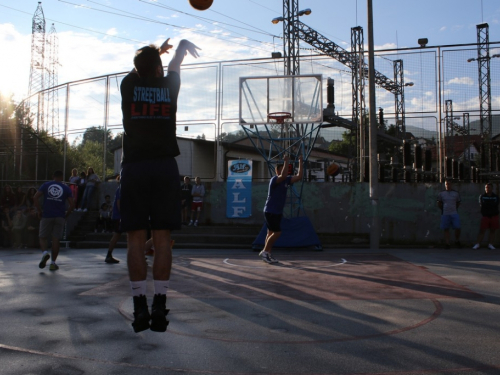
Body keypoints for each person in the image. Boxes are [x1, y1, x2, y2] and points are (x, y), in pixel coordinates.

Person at [120, 37, 199, 333]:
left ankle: (139, 305)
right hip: (165, 165)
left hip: (135, 167)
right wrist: (178, 48)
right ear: (158, 70)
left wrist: (155, 53)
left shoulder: (127, 85)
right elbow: (176, 64)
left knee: (135, 241)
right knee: (162, 239)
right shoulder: (169, 86)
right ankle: (159, 304)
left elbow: (137, 67)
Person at [259, 155, 303, 264]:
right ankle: (265, 252)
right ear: (277, 171)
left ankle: (267, 253)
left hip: (277, 211)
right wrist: (286, 161)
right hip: (270, 211)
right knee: (277, 233)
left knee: (270, 233)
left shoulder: (286, 180)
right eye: (283, 168)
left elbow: (299, 176)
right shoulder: (274, 179)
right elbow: (283, 175)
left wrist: (300, 162)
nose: (285, 170)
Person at [34, 170, 75, 271]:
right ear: (62, 177)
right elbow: (72, 205)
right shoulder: (66, 188)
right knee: (55, 239)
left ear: (53, 176)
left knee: (42, 237)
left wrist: (39, 211)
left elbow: (35, 197)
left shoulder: (46, 185)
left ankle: (45, 253)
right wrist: (66, 215)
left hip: (47, 215)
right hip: (60, 216)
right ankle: (53, 263)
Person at [472, 182, 499, 250]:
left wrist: (489, 205)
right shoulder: (482, 196)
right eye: (486, 187)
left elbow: (495, 205)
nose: (487, 189)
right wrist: (489, 205)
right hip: (485, 216)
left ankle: (490, 244)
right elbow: (483, 205)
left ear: (492, 188)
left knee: (493, 230)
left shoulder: (495, 197)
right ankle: (478, 244)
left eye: (488, 187)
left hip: (494, 215)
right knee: (482, 230)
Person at [437, 179, 461, 249]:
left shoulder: (456, 193)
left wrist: (455, 208)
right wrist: (442, 209)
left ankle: (457, 240)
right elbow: (439, 203)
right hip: (445, 213)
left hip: (454, 212)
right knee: (446, 228)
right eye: (446, 184)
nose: (448, 185)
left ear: (451, 185)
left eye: (449, 184)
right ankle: (447, 243)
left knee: (458, 227)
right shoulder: (441, 194)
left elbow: (458, 202)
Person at [105, 176, 121, 264]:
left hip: (118, 216)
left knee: (117, 235)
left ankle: (109, 254)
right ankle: (108, 255)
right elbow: (119, 203)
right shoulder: (121, 189)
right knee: (116, 235)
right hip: (119, 217)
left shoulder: (120, 189)